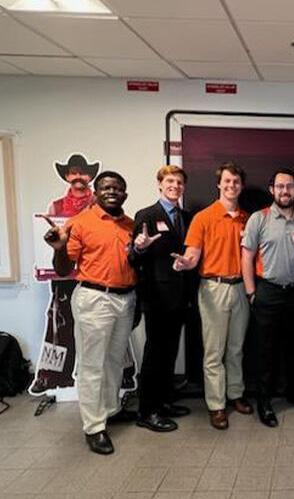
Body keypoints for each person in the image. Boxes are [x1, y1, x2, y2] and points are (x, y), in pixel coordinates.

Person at [43, 171, 137, 455]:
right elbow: (63, 269)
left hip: (125, 298)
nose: (112, 192)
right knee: (92, 365)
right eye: (106, 187)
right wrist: (59, 248)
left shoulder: (130, 224)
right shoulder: (80, 222)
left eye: (117, 188)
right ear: (96, 193)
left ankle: (110, 409)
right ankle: (94, 427)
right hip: (95, 299)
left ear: (125, 194)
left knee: (114, 361)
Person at [172, 162, 252, 430]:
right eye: (227, 181)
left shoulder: (248, 218)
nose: (231, 186)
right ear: (219, 184)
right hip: (213, 288)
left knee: (236, 348)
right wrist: (185, 262)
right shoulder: (203, 218)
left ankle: (235, 394)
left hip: (240, 287)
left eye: (236, 182)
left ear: (241, 186)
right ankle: (217, 405)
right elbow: (192, 255)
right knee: (214, 351)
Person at [242, 168, 294, 428]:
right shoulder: (259, 218)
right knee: (266, 350)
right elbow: (247, 257)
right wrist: (251, 293)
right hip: (268, 291)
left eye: (289, 186)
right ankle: (264, 401)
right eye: (280, 186)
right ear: (272, 190)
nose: (284, 191)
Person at [129, 165, 194, 432]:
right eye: (169, 181)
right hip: (156, 297)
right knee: (155, 354)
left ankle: (165, 402)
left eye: (179, 182)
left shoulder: (186, 217)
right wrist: (139, 248)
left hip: (180, 296)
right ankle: (147, 411)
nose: (175, 186)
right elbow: (133, 257)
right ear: (159, 184)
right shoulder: (146, 215)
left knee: (170, 352)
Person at [31, 154, 98, 395]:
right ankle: (52, 375)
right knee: (59, 324)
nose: (78, 176)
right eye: (73, 172)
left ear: (90, 176)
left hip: (94, 275)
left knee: (102, 325)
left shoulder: (100, 203)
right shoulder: (55, 206)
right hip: (64, 276)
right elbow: (47, 241)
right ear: (67, 176)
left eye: (83, 172)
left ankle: (121, 374)